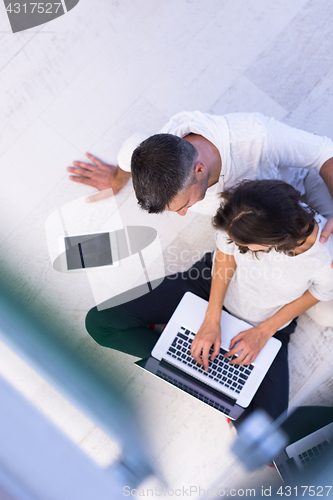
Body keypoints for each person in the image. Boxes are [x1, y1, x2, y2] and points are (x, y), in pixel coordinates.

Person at [86, 180, 333, 425]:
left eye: (244, 247)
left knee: (267, 435)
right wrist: (211, 318)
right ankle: (198, 375)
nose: (237, 246)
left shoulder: (325, 257)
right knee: (100, 323)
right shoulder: (247, 210)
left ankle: (192, 368)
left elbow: (317, 293)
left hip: (268, 320)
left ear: (274, 242)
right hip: (209, 285)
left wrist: (263, 332)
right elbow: (224, 256)